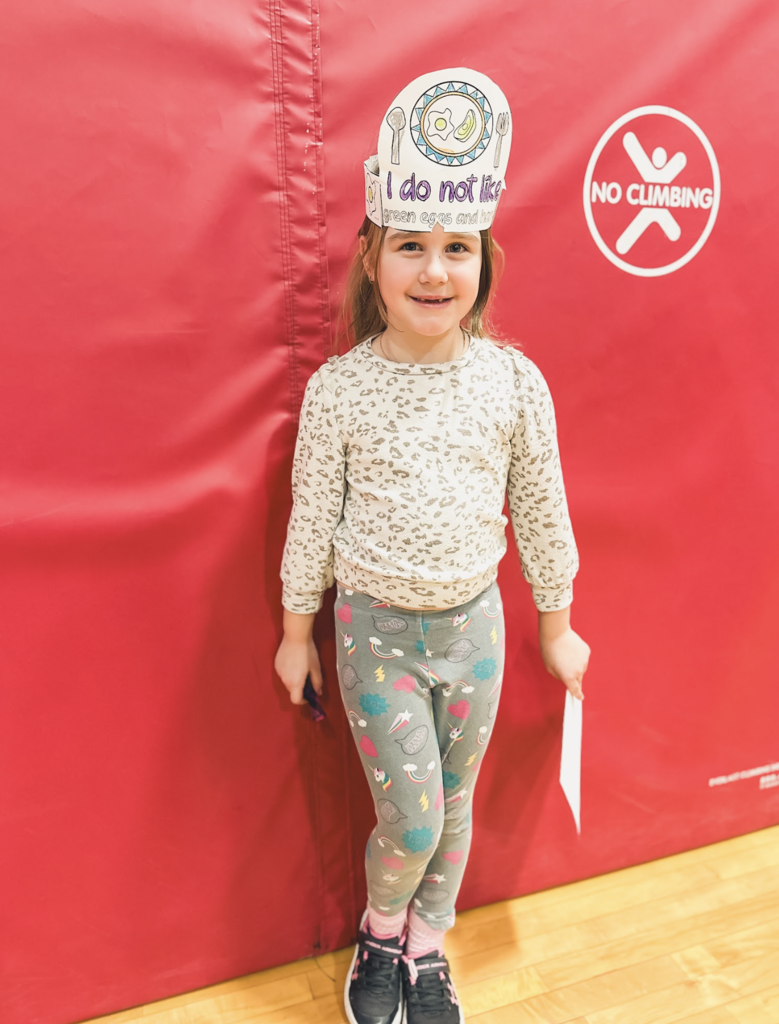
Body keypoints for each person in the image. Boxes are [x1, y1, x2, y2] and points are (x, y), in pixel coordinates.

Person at [275, 68, 590, 1024]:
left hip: (477, 630)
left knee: (454, 809)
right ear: (373, 259)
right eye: (410, 246)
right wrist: (297, 635)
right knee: (410, 816)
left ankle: (426, 945)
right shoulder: (339, 389)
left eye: (456, 248)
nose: (434, 271)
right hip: (376, 634)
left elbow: (541, 505)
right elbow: (310, 521)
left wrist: (557, 623)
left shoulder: (511, 382)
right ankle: (378, 930)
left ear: (483, 262)